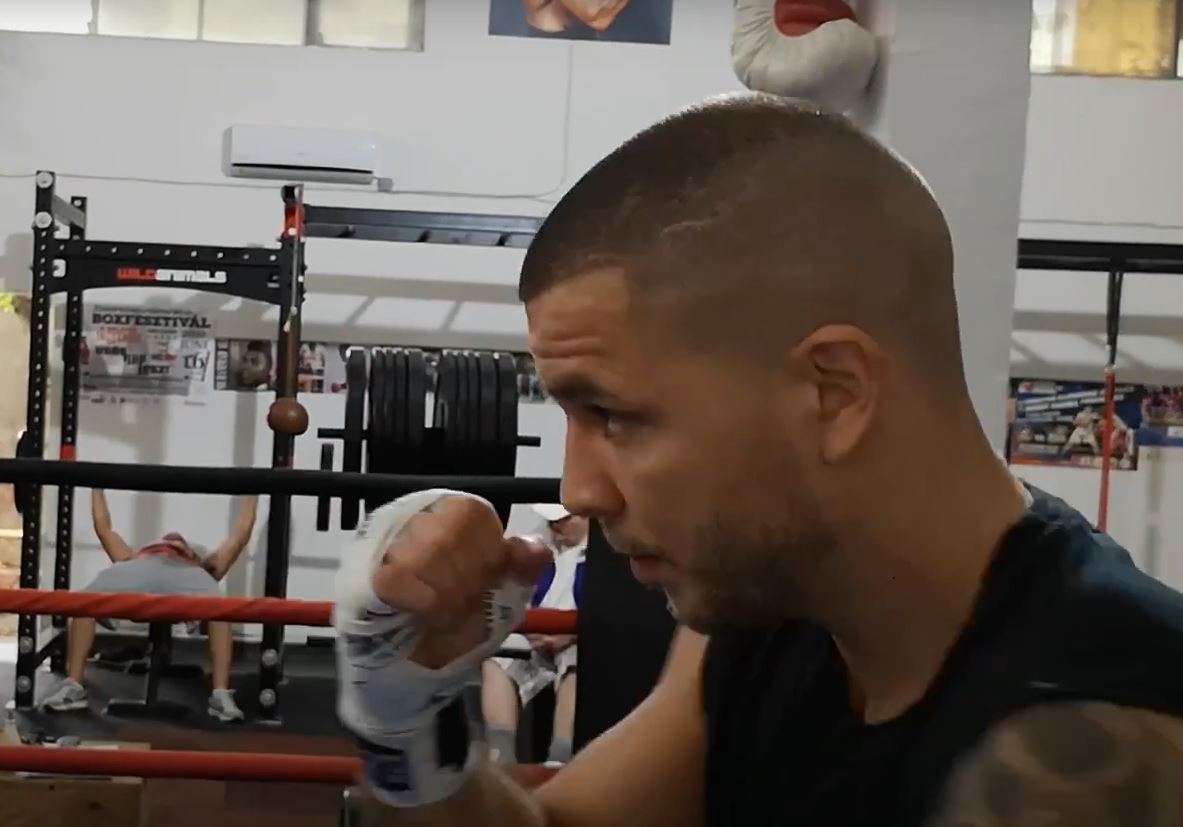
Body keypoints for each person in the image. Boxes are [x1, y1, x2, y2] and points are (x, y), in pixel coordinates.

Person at [333, 95, 1183, 826]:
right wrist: (407, 718)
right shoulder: (770, 607)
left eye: (614, 414)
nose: (578, 490)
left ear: (832, 391)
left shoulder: (1096, 741)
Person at [42, 490, 258, 722]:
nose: (173, 536)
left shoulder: (202, 565)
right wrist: (97, 487)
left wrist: (255, 488)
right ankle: (74, 686)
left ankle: (220, 695)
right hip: (139, 575)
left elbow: (240, 534)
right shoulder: (133, 558)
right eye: (167, 538)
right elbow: (104, 530)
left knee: (221, 609)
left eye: (179, 540)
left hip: (184, 577)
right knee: (85, 600)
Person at [482, 504, 588, 766]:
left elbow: (611, 610)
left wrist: (572, 636)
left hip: (582, 640)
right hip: (535, 639)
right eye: (552, 522)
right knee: (499, 652)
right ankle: (499, 754)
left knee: (575, 658)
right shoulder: (539, 553)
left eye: (565, 520)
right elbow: (511, 600)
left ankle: (561, 756)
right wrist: (529, 629)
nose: (557, 527)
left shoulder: (605, 557)